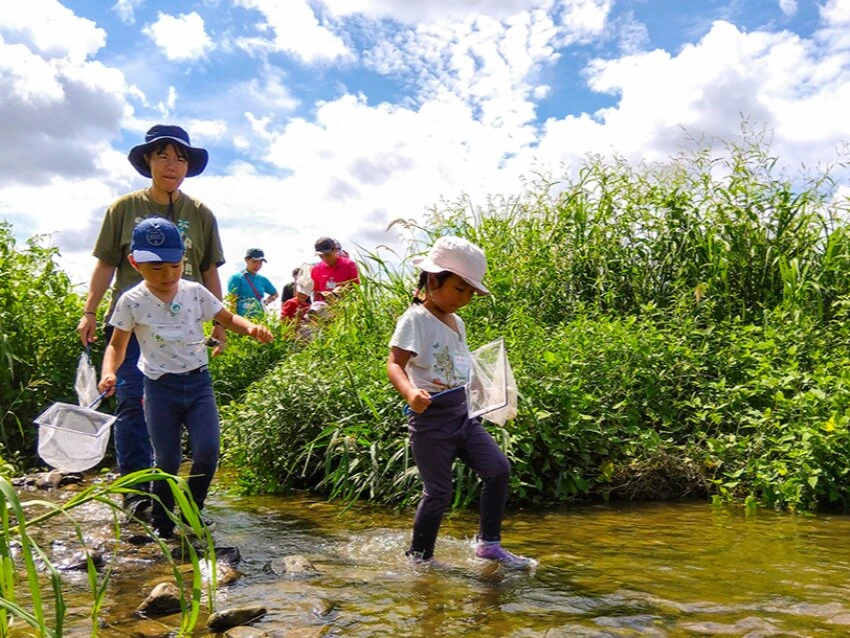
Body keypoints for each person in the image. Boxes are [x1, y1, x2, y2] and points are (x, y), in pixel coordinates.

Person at [76, 124, 226, 513]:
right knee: (131, 405)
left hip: (184, 330)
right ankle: (139, 497)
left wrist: (221, 324)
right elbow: (106, 263)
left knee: (186, 409)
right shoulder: (124, 208)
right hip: (132, 325)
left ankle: (181, 501)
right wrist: (90, 311)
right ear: (147, 161)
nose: (172, 164)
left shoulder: (201, 214)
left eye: (180, 157)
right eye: (163, 155)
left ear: (189, 165)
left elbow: (209, 272)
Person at [98, 218, 273, 538]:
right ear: (136, 263)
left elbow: (227, 318)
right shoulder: (132, 301)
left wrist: (251, 328)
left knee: (208, 450)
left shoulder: (195, 293)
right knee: (167, 459)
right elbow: (117, 345)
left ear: (184, 261)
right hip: (159, 388)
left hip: (198, 385)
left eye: (175, 266)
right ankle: (163, 522)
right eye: (157, 268)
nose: (168, 275)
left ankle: (193, 509)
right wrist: (109, 371)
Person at [386, 236, 532, 569]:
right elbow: (394, 363)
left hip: (464, 416)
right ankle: (419, 559)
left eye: (470, 293)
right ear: (433, 280)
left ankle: (488, 545)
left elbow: (461, 366)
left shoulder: (458, 322)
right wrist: (411, 393)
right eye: (460, 289)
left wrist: (491, 395)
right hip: (431, 419)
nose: (465, 299)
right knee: (438, 492)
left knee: (498, 469)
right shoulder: (415, 319)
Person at [227, 248, 278, 317]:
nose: (257, 265)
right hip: (242, 318)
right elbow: (232, 302)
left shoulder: (262, 279)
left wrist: (265, 303)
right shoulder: (236, 278)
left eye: (260, 263)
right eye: (254, 262)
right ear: (246, 260)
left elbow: (275, 294)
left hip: (259, 318)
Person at [311, 236, 360, 302]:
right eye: (321, 256)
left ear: (335, 250)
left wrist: (342, 291)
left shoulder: (349, 265)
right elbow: (316, 293)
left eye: (327, 255)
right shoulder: (316, 269)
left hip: (345, 306)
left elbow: (356, 289)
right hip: (324, 308)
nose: (325, 259)